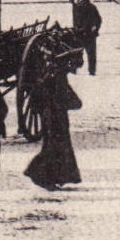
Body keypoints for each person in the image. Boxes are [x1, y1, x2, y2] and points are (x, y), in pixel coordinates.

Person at [24, 58, 82, 190]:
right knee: (56, 147)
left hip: (50, 117)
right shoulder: (60, 81)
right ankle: (39, 174)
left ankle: (53, 178)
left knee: (53, 146)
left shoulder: (45, 81)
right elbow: (76, 103)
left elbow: (35, 100)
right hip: (57, 118)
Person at [71, 0, 102, 75]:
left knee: (91, 53)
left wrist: (95, 27)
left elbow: (98, 19)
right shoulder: (75, 7)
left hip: (89, 34)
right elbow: (75, 21)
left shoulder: (91, 8)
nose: (77, 1)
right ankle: (74, 69)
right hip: (78, 34)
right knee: (76, 53)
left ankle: (92, 71)